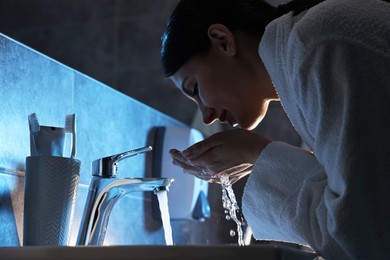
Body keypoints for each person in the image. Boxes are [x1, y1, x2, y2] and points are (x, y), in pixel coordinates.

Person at [161, 0, 390, 258]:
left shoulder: (320, 44)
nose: (207, 116)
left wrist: (260, 153)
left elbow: (360, 232)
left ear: (222, 40)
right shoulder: (308, 51)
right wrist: (258, 154)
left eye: (195, 89)